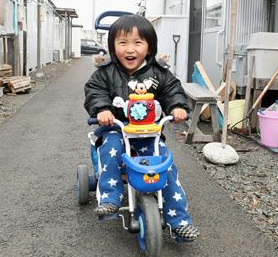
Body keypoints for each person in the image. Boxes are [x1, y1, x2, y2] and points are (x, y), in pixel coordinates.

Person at [84, 14, 200, 242]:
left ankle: (179, 221)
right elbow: (95, 92)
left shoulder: (159, 73)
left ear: (149, 47)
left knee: (166, 165)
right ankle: (110, 197)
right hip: (117, 129)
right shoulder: (105, 73)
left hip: (148, 133)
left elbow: (172, 91)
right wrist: (102, 110)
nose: (130, 49)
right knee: (110, 149)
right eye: (123, 42)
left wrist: (177, 107)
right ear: (112, 46)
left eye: (137, 43)